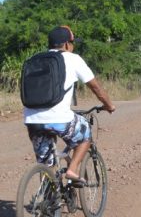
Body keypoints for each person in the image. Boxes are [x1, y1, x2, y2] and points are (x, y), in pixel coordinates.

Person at [23, 25, 116, 185]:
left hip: (32, 120)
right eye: (72, 43)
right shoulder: (73, 59)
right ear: (67, 44)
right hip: (58, 118)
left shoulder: (35, 60)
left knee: (46, 165)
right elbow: (96, 87)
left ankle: (49, 202)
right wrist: (109, 105)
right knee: (85, 135)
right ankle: (72, 169)